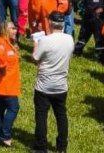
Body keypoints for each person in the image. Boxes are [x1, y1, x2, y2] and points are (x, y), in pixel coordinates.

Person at [32, 11, 74, 153]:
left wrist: (36, 42)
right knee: (61, 116)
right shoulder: (69, 39)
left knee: (41, 116)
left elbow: (35, 58)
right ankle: (62, 147)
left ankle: (41, 147)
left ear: (50, 23)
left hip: (44, 85)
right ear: (62, 24)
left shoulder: (45, 40)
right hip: (61, 86)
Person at [0, 21, 21, 147]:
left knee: (0, 109)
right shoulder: (1, 43)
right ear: (4, 30)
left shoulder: (7, 43)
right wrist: (2, 66)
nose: (15, 30)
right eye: (12, 28)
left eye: (15, 28)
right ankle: (5, 135)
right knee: (13, 107)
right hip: (5, 85)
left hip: (4, 84)